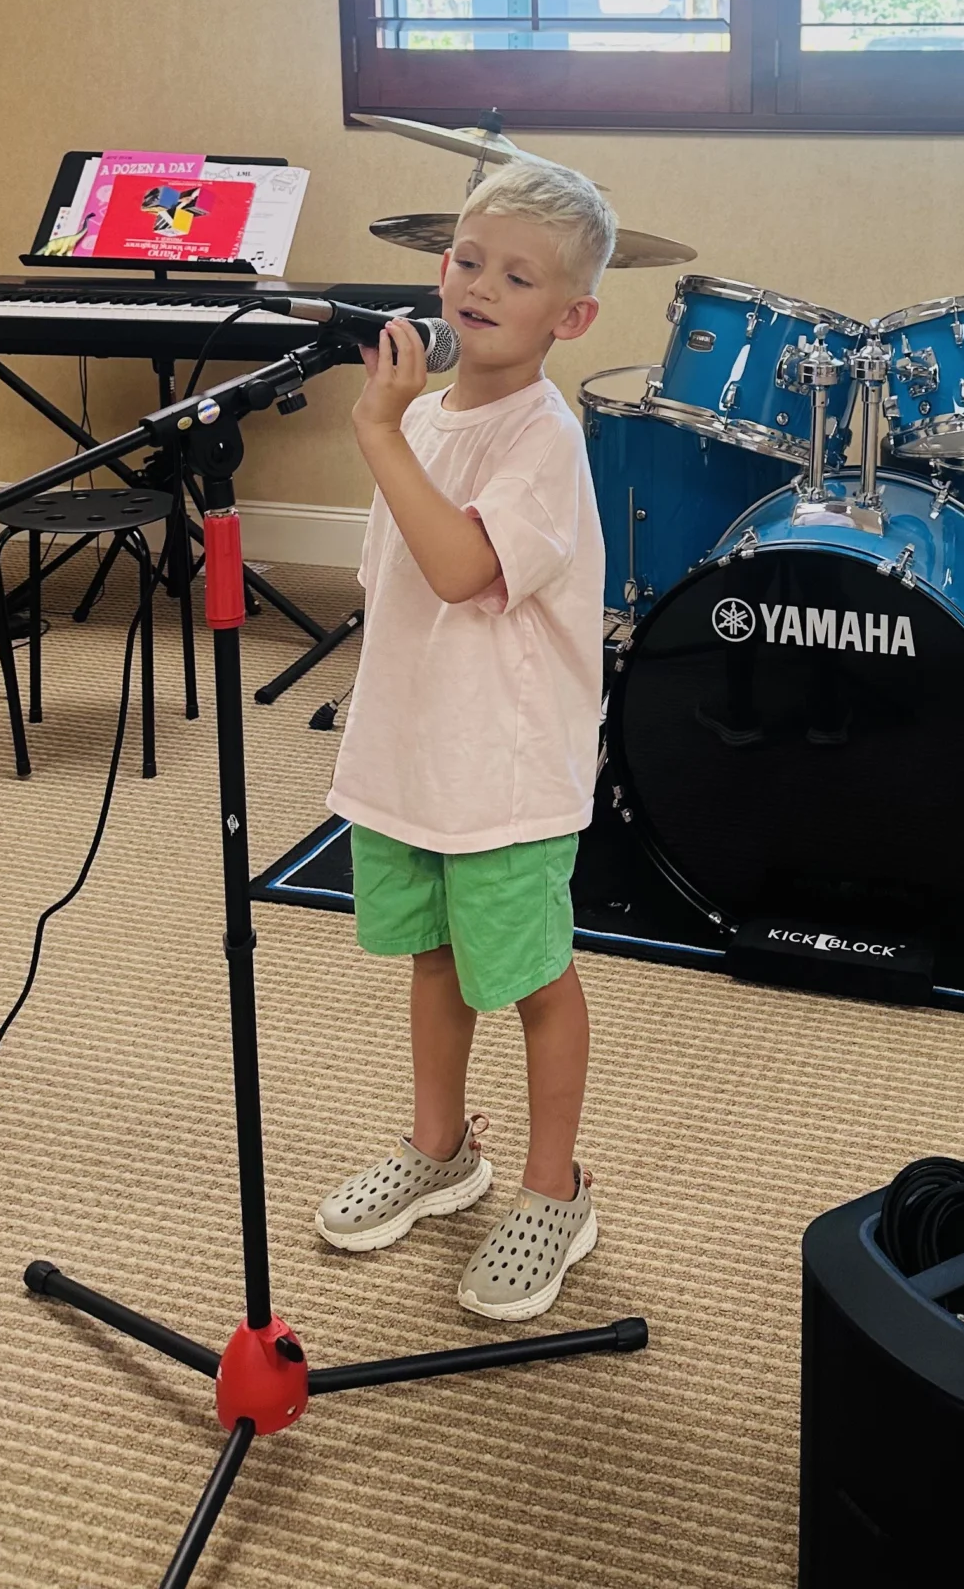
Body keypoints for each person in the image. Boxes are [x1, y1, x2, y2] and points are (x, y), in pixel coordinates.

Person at [314, 158, 615, 1321]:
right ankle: (440, 1148)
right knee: (432, 955)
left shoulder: (545, 439)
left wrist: (375, 427)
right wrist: (398, 428)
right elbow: (389, 585)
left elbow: (456, 567)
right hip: (412, 755)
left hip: (505, 770)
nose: (481, 286)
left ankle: (555, 1189)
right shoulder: (427, 422)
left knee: (530, 974)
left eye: (518, 277)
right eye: (469, 260)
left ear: (570, 317)